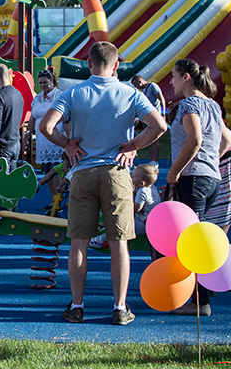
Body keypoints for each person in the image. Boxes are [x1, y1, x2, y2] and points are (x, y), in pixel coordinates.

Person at [38, 42, 165, 325]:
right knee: (119, 243)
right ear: (117, 65)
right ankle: (119, 308)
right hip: (118, 172)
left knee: (79, 243)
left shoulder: (73, 93)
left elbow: (45, 126)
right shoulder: (131, 93)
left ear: (88, 63)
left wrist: (68, 144)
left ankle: (77, 305)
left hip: (83, 172)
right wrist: (133, 144)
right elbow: (159, 126)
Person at [166, 58, 223, 317]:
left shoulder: (189, 104)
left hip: (193, 177)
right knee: (196, 236)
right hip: (211, 177)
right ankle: (198, 295)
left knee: (192, 240)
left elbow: (195, 139)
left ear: (186, 77)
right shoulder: (213, 105)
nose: (171, 82)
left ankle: (201, 301)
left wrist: (175, 171)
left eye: (174, 77)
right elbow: (221, 142)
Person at [90, 164, 160, 248]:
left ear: (142, 183)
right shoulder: (152, 188)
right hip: (149, 221)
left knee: (119, 223)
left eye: (134, 177)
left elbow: (135, 208)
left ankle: (100, 240)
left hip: (144, 224)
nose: (131, 178)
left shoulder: (143, 191)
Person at [27, 70, 64, 173]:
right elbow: (32, 120)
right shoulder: (37, 98)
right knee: (47, 173)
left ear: (52, 81)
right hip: (42, 142)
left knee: (55, 172)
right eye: (40, 83)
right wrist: (27, 137)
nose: (42, 85)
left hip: (55, 141)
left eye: (45, 82)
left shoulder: (59, 95)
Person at [0, 64, 24, 170]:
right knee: (12, 180)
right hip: (15, 142)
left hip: (3, 144)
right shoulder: (18, 94)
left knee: (2, 181)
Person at [131, 75, 166, 167]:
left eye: (136, 85)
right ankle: (152, 160)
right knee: (149, 140)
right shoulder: (143, 92)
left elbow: (161, 98)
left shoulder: (153, 86)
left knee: (154, 140)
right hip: (147, 118)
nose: (136, 87)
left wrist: (163, 113)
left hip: (155, 116)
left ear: (140, 81)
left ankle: (155, 161)